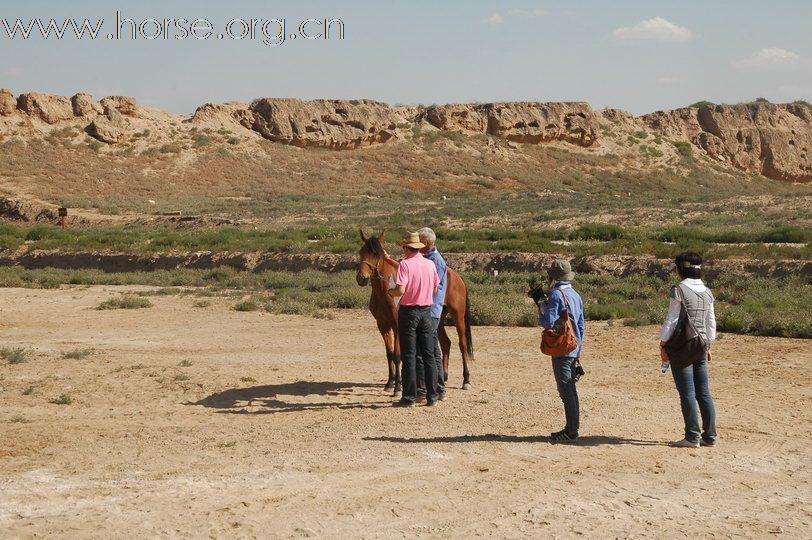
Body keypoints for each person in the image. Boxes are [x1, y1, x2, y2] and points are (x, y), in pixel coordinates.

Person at [660, 252, 717, 448]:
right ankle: (709, 436)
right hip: (701, 345)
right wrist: (708, 345)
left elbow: (672, 319)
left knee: (687, 393)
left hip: (682, 346)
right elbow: (711, 323)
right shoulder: (708, 291)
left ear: (681, 269)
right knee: (704, 392)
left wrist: (662, 342)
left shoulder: (679, 290)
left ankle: (692, 436)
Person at [387, 231, 440, 407]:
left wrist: (390, 292)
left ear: (406, 248)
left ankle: (409, 397)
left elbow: (400, 290)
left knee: (409, 355)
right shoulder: (430, 264)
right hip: (426, 311)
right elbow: (434, 289)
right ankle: (432, 396)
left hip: (409, 312)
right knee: (429, 354)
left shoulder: (404, 265)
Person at [538, 259, 585, 442]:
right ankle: (572, 428)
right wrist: (578, 349)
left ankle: (571, 431)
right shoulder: (575, 294)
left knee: (565, 389)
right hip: (573, 347)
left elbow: (548, 322)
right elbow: (581, 325)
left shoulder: (556, 295)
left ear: (553, 277)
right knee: (570, 389)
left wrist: (542, 306)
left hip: (561, 348)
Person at [416, 227, 448, 401]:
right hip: (431, 309)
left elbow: (432, 288)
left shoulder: (435, 261)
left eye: (419, 241)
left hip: (431, 309)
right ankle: (439, 388)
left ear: (427, 243)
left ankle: (432, 389)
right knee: (433, 349)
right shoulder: (429, 258)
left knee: (428, 350)